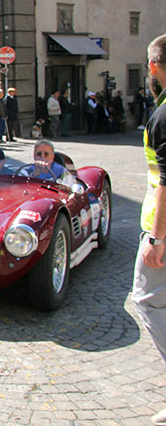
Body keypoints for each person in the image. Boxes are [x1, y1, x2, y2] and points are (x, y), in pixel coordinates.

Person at [132, 34, 166, 426]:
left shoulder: (162, 114)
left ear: (154, 68)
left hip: (162, 229)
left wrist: (156, 238)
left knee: (146, 299)